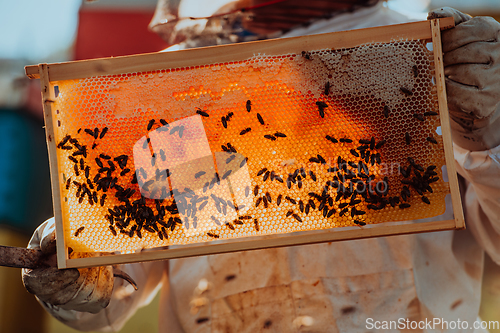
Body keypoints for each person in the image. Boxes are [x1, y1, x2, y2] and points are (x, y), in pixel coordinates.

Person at [22, 1, 500, 332]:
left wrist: (490, 137)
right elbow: (123, 277)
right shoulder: (175, 93)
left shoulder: (436, 58)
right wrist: (81, 272)